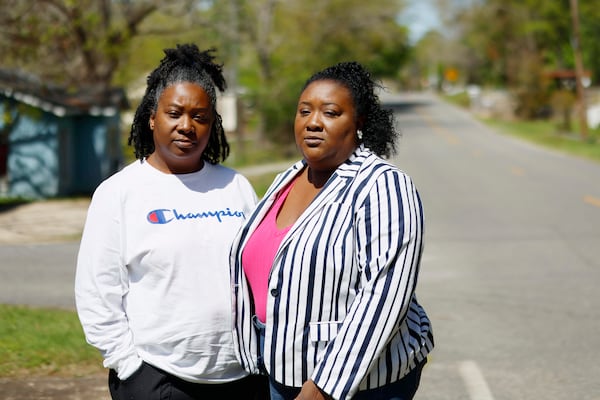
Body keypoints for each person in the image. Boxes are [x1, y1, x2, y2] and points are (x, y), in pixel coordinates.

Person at [230, 61, 434, 400]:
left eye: (331, 112)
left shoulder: (382, 185)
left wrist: (322, 387)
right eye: (304, 111)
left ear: (359, 124)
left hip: (357, 383)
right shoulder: (288, 178)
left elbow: (385, 296)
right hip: (282, 370)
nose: (313, 122)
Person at [75, 43, 267, 400]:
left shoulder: (236, 187)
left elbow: (260, 273)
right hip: (158, 378)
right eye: (174, 113)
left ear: (212, 124)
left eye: (200, 117)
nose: (186, 126)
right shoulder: (119, 192)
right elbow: (97, 292)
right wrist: (129, 366)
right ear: (152, 117)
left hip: (241, 377)